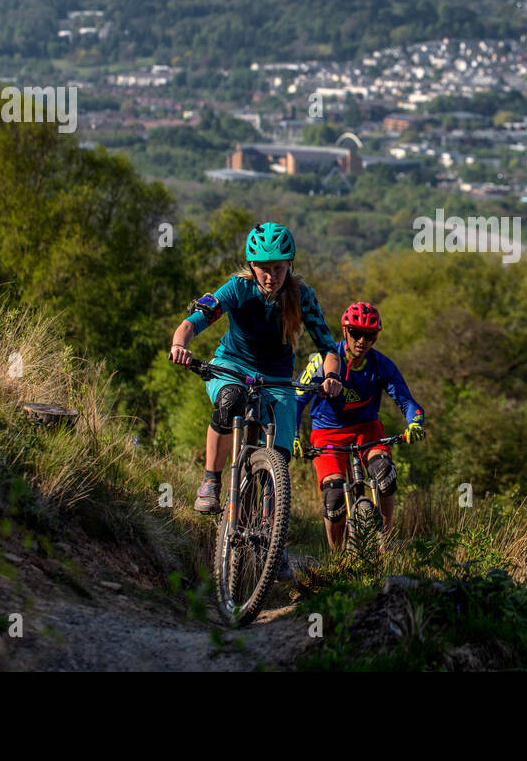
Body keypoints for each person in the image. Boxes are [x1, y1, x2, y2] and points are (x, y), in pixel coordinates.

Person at [170, 221, 342, 515]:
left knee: (282, 449)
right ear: (251, 265)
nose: (270, 275)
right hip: (232, 365)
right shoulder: (239, 288)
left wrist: (332, 376)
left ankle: (270, 528)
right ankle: (211, 480)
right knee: (230, 400)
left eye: (278, 268)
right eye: (263, 267)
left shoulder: (302, 296)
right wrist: (179, 346)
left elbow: (328, 347)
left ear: (290, 265)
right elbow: (193, 321)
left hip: (277, 378)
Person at [295, 301, 425, 551]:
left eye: (370, 335)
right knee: (333, 497)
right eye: (356, 333)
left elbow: (407, 401)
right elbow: (296, 400)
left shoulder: (381, 364)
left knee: (386, 476)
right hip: (327, 432)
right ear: (344, 331)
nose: (362, 340)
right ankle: (337, 556)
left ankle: (385, 544)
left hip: (366, 428)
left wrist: (415, 422)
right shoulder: (324, 359)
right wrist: (293, 436)